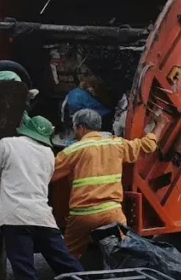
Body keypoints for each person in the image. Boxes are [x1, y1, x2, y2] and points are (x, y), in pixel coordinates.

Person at [0, 115, 84, 280]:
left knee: (24, 270)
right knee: (66, 264)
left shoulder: (7, 143)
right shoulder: (49, 154)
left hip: (15, 217)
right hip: (43, 217)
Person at [52, 108, 168, 259]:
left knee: (69, 257)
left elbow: (49, 174)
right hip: (112, 213)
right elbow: (147, 146)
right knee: (123, 254)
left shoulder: (72, 150)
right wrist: (160, 126)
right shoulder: (117, 144)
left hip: (82, 215)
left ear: (81, 128)